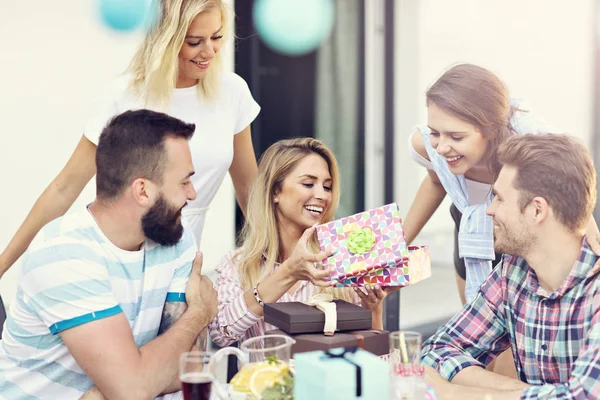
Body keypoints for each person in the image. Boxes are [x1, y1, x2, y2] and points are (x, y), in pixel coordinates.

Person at [0, 0, 260, 279]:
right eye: (194, 41)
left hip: (183, 258)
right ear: (165, 39)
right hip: (119, 259)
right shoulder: (125, 94)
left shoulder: (232, 92)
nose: (209, 51)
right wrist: (3, 265)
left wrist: (275, 258)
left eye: (217, 37)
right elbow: (64, 188)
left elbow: (249, 189)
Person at [0, 110, 218, 399]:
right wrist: (199, 314)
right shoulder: (63, 255)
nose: (192, 194)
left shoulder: (176, 236)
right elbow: (132, 389)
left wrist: (116, 389)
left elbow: (190, 366)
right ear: (142, 191)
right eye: (184, 181)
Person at [402, 63, 600, 305]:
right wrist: (399, 245)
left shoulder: (529, 147)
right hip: (470, 229)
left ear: (490, 129)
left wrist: (590, 235)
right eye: (435, 132)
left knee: (521, 326)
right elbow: (436, 181)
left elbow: (572, 187)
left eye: (456, 136)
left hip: (520, 230)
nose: (442, 147)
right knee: (475, 324)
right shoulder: (426, 146)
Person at [421, 134, 600, 399]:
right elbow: (437, 350)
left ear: (537, 210)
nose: (489, 210)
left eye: (500, 198)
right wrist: (527, 392)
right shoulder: (512, 272)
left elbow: (583, 395)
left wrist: (451, 393)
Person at [208, 138, 399, 346]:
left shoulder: (343, 261)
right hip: (267, 378)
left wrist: (374, 309)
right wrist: (288, 273)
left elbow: (376, 359)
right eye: (308, 184)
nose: (322, 195)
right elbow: (221, 333)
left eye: (327, 187)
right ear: (275, 191)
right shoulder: (237, 264)